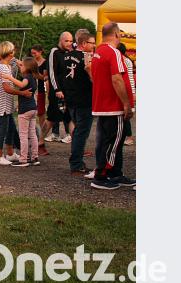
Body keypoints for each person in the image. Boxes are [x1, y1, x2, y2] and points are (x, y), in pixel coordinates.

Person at [90, 23, 135, 190]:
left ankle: (115, 173)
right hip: (113, 106)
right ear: (116, 34)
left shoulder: (98, 51)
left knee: (112, 141)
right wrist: (126, 104)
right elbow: (117, 79)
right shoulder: (113, 52)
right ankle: (101, 176)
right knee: (113, 143)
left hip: (103, 104)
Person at [0, 41, 31, 166]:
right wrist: (22, 93)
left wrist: (19, 62)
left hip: (5, 103)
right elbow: (6, 88)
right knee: (2, 130)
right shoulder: (3, 67)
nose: (14, 52)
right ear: (9, 52)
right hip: (2, 104)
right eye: (13, 50)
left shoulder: (3, 64)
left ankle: (10, 153)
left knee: (10, 129)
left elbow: (15, 62)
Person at [62, 29, 95, 175]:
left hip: (71, 98)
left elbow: (62, 75)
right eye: (92, 43)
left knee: (77, 131)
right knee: (81, 132)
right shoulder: (87, 58)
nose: (94, 46)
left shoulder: (66, 56)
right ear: (84, 43)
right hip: (84, 99)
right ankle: (76, 164)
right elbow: (93, 79)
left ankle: (76, 162)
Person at [2, 57, 40, 166]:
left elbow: (21, 85)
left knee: (23, 135)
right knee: (32, 134)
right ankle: (35, 157)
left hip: (25, 110)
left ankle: (23, 159)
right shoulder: (33, 77)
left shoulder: (27, 78)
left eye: (22, 65)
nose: (20, 67)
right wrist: (19, 62)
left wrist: (9, 77)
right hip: (33, 109)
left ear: (27, 68)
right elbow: (23, 69)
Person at [46, 32, 74, 143]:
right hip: (57, 92)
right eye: (66, 41)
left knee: (69, 117)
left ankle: (76, 142)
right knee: (51, 118)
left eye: (71, 41)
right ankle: (40, 141)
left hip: (67, 91)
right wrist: (57, 89)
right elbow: (51, 72)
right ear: (60, 40)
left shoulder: (69, 53)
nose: (69, 43)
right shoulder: (54, 52)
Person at [29, 45, 50, 156]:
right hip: (31, 90)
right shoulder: (31, 62)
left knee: (41, 115)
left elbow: (45, 77)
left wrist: (37, 75)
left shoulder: (45, 63)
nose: (33, 55)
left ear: (40, 52)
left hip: (40, 91)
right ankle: (33, 138)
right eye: (32, 53)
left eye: (35, 53)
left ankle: (42, 138)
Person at [117, 43, 136, 146]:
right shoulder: (123, 60)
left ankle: (129, 137)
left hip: (125, 91)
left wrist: (133, 93)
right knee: (122, 115)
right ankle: (124, 136)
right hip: (122, 90)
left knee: (125, 115)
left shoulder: (125, 61)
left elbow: (130, 78)